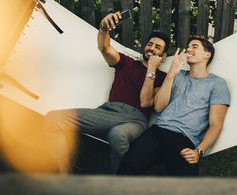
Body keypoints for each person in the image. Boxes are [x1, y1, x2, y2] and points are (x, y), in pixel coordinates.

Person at [43, 11, 170, 174]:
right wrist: (104, 28)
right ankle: (65, 173)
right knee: (54, 118)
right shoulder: (127, 63)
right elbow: (104, 48)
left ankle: (117, 182)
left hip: (135, 120)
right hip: (107, 112)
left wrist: (152, 67)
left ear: (164, 56)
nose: (151, 48)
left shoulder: (163, 78)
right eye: (149, 44)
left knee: (118, 135)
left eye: (157, 47)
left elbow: (147, 102)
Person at [118, 35, 230, 176]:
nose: (189, 49)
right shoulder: (177, 75)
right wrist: (171, 73)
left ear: (207, 55)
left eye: (194, 46)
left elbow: (216, 124)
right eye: (188, 47)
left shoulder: (217, 84)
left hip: (184, 139)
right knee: (126, 169)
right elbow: (158, 107)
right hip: (159, 131)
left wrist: (199, 151)